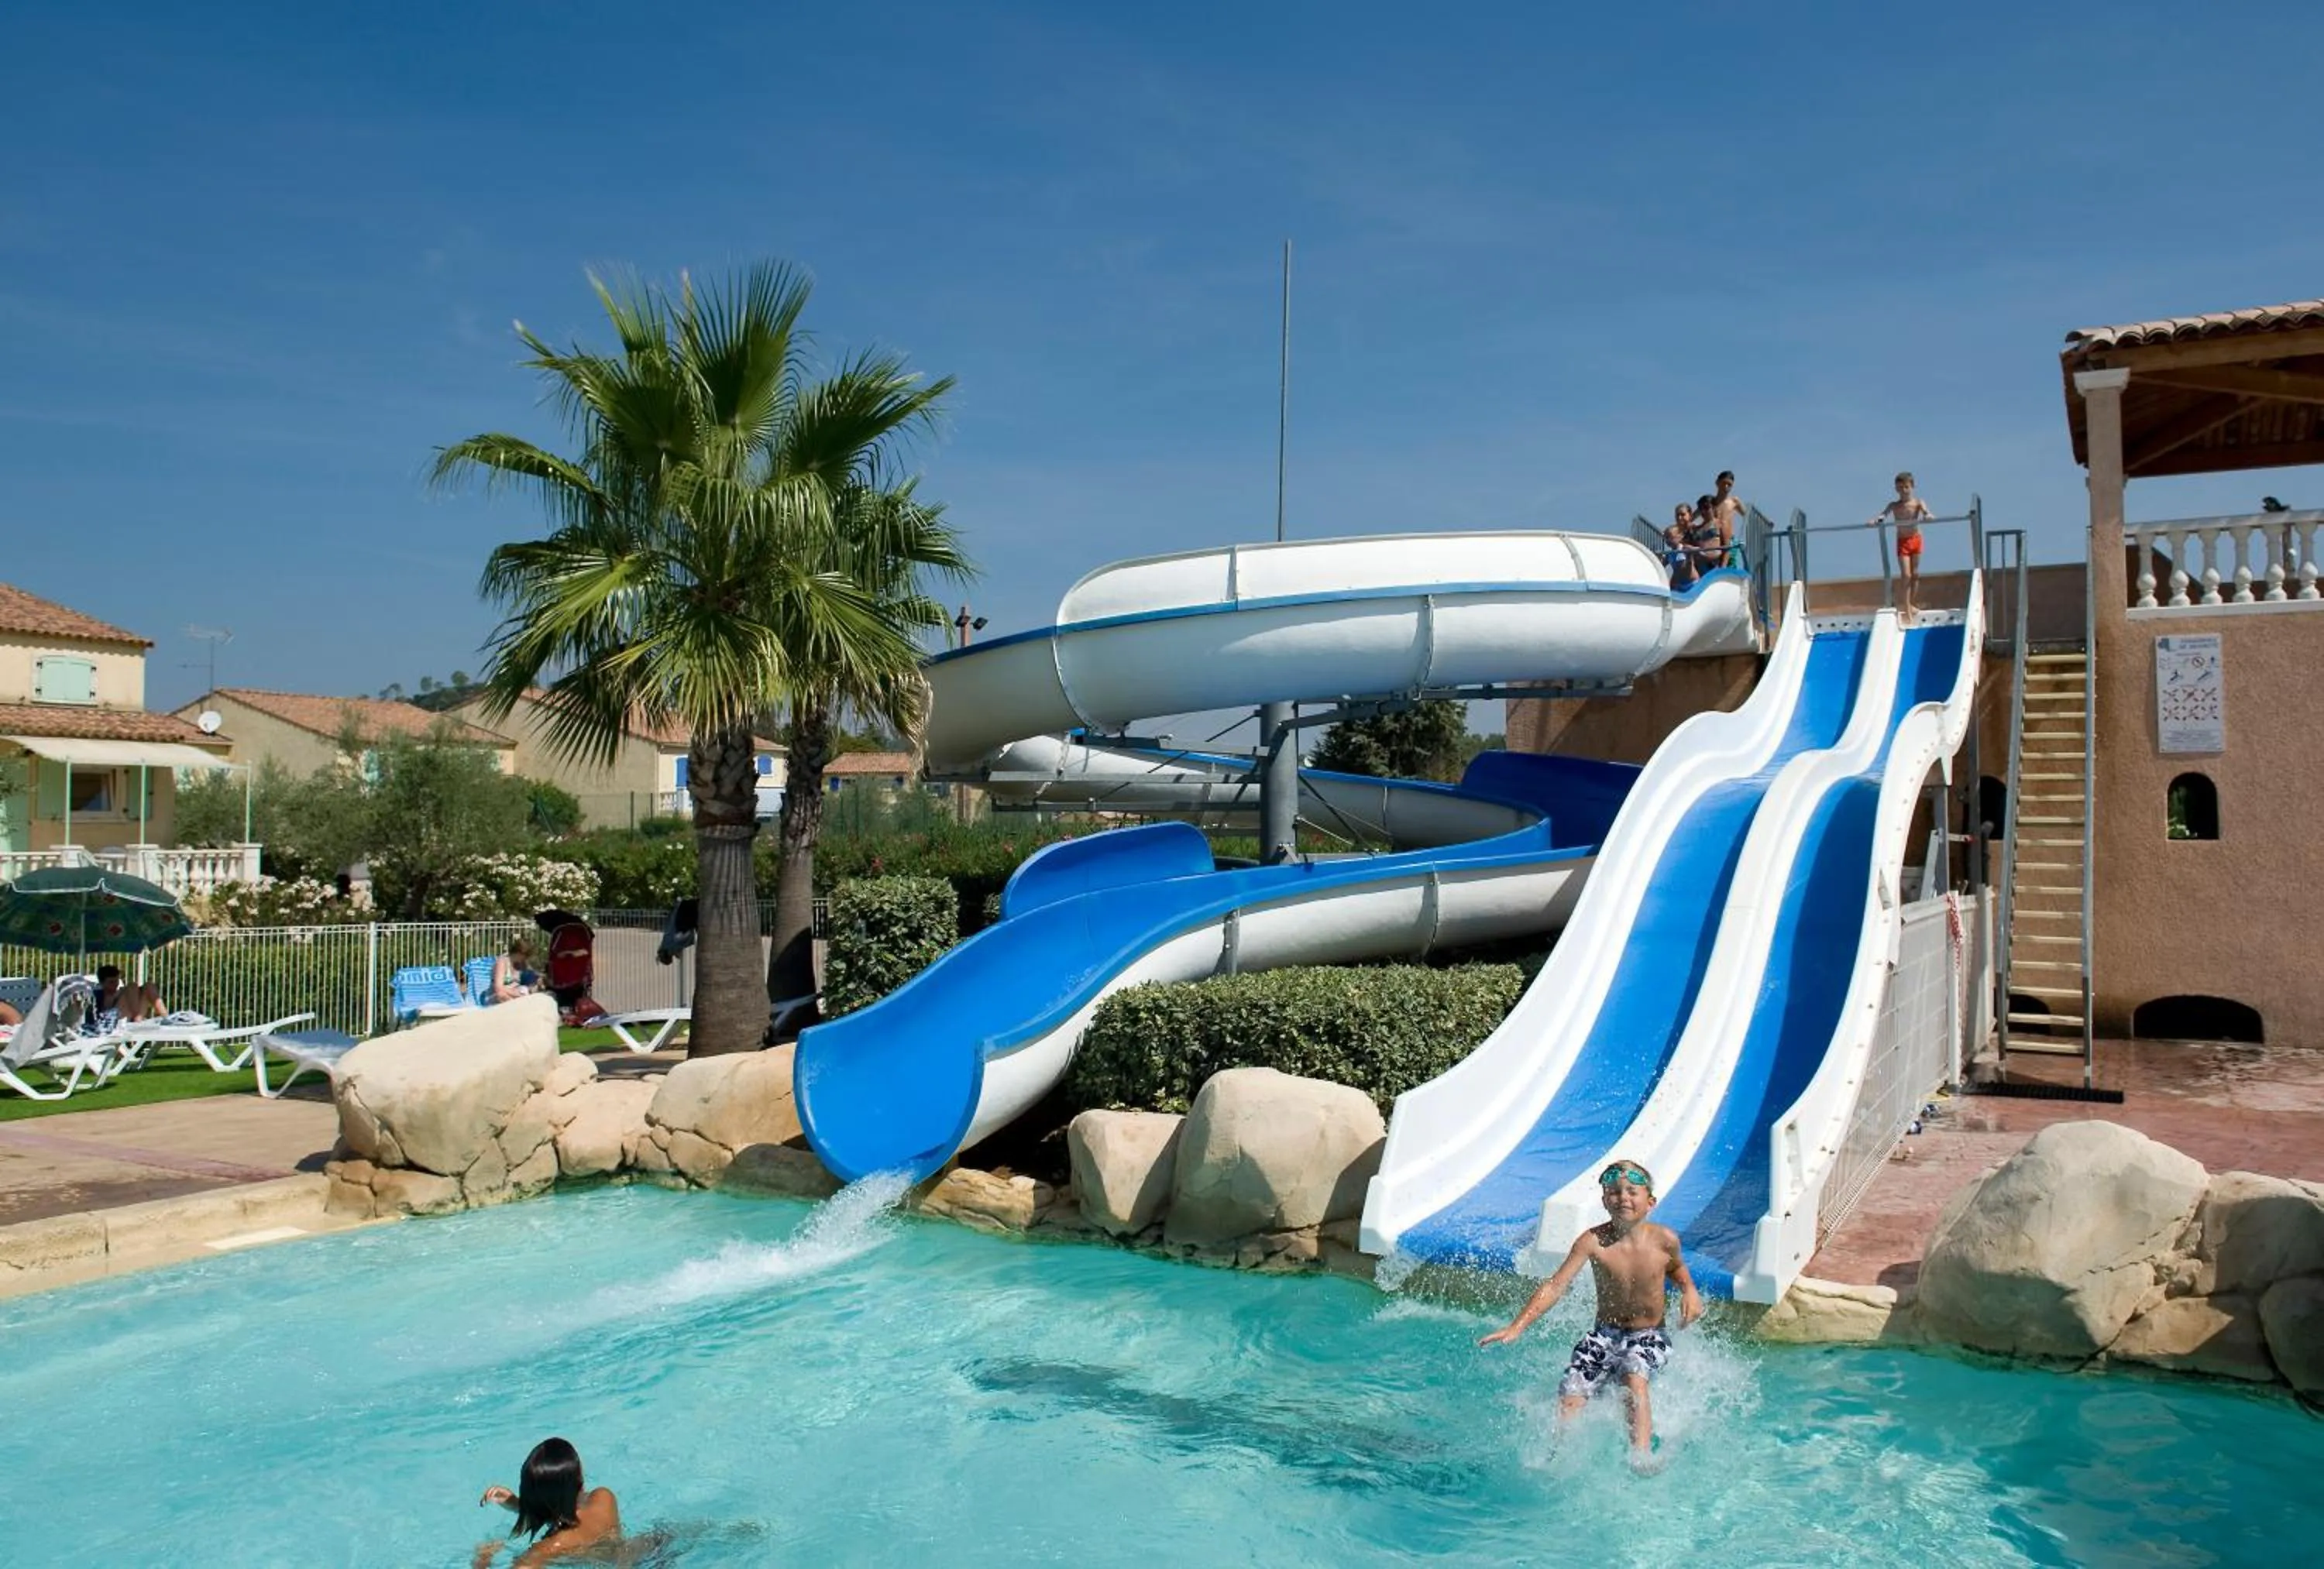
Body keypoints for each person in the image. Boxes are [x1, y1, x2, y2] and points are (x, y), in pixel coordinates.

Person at [1477, 1159, 1703, 1467]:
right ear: (1604, 1201)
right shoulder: (1592, 1241)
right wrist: (1517, 1326)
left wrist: (1689, 1290)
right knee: (1572, 1393)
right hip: (1604, 1334)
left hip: (1649, 1334)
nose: (1623, 1197)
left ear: (1650, 1202)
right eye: (1614, 1191)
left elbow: (1677, 1269)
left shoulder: (1665, 1240)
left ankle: (1641, 1456)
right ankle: (1556, 1457)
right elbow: (1556, 1285)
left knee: (1634, 1376)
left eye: (1632, 1191)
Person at [476, 1437, 621, 1567]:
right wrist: (518, 1504)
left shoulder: (548, 1548)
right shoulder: (604, 1497)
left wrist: (483, 1559)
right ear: (580, 1482)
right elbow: (568, 1509)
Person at [1872, 470, 1933, 622]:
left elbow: (1926, 511)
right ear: (1896, 489)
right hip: (1903, 541)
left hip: (1916, 539)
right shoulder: (1894, 505)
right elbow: (1883, 515)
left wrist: (1927, 515)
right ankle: (1906, 609)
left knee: (1915, 574)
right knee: (1906, 575)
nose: (1903, 491)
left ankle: (1911, 603)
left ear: (1912, 487)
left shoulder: (1918, 502)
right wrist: (1876, 520)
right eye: (1900, 488)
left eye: (1906, 487)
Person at [91, 964, 164, 1032]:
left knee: (149, 986)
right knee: (132, 986)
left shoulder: (119, 991)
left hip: (129, 1018)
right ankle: (138, 1019)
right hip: (113, 1022)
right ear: (101, 983)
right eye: (111, 982)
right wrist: (117, 995)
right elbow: (105, 1011)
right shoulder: (98, 993)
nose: (115, 985)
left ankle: (166, 1018)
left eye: (116, 981)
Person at [1709, 470, 1745, 565]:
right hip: (1714, 541)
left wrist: (1767, 521)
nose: (1726, 487)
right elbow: (1693, 517)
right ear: (1717, 483)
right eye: (1724, 483)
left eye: (1729, 485)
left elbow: (1747, 515)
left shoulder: (1734, 501)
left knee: (1729, 566)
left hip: (1729, 541)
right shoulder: (1710, 502)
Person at [491, 937, 540, 1004]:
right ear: (520, 953)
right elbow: (498, 987)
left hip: (516, 994)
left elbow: (533, 977)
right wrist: (517, 994)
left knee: (526, 990)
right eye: (526, 956)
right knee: (501, 995)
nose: (527, 959)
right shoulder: (502, 962)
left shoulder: (521, 964)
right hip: (500, 995)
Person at [1662, 503, 1698, 588]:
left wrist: (1692, 552)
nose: (1679, 518)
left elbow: (1699, 550)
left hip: (1692, 582)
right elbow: (1663, 563)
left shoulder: (1695, 530)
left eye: (1682, 515)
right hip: (1679, 584)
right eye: (1677, 515)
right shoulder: (1670, 553)